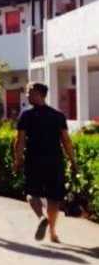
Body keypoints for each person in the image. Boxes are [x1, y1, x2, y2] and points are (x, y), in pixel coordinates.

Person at [13, 82, 77, 243]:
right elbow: (66, 141)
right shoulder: (58, 115)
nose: (27, 95)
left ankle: (42, 218)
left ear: (40, 94)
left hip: (34, 160)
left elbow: (20, 141)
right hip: (55, 161)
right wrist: (73, 161)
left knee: (31, 194)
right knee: (53, 197)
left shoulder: (26, 115)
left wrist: (18, 160)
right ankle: (53, 232)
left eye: (30, 92)